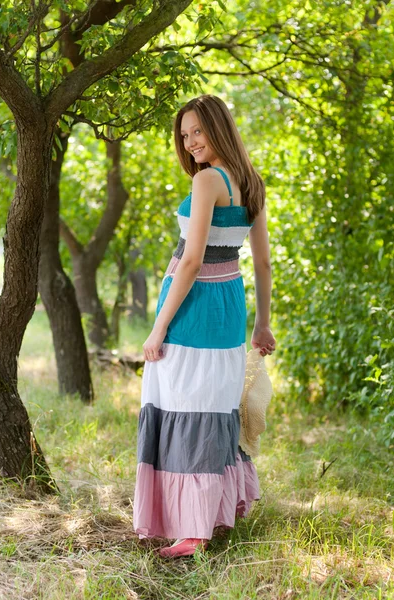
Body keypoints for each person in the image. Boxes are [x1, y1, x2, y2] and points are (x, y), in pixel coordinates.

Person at [132, 94, 276, 558]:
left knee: (181, 410)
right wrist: (262, 326)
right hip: (231, 310)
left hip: (193, 310)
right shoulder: (251, 182)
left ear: (219, 128)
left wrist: (158, 329)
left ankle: (190, 531)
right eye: (185, 134)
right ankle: (208, 516)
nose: (190, 141)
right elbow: (264, 265)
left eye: (198, 131)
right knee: (211, 412)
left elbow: (191, 261)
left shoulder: (208, 181)